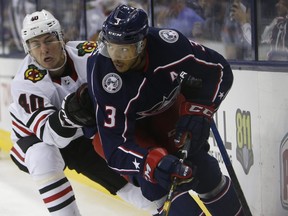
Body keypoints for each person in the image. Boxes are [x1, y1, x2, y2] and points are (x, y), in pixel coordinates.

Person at [62, 4, 245, 215]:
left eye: (124, 49)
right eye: (110, 47)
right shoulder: (104, 73)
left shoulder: (170, 46)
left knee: (206, 171)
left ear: (142, 44)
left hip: (164, 111)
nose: (115, 57)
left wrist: (200, 111)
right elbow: (114, 147)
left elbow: (219, 70)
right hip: (126, 132)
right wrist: (153, 163)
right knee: (163, 190)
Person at [8, 9, 159, 216]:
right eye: (35, 44)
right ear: (28, 50)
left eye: (49, 39)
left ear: (62, 38)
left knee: (119, 178)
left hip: (82, 132)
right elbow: (51, 136)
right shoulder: (25, 83)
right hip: (34, 137)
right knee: (43, 156)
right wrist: (68, 115)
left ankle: (164, 209)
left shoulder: (89, 53)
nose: (44, 49)